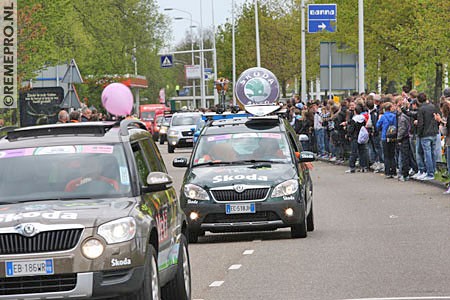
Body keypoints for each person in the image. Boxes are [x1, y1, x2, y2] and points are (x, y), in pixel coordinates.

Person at [416, 92, 439, 180]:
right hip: (433, 132)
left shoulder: (421, 109)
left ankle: (429, 173)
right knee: (433, 153)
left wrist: (419, 133)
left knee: (427, 153)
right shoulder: (433, 106)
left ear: (418, 100)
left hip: (425, 134)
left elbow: (421, 123)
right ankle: (433, 169)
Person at [376, 102, 397, 179]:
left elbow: (377, 126)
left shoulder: (383, 117)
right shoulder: (394, 116)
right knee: (392, 154)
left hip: (385, 136)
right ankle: (394, 171)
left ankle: (387, 172)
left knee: (386, 155)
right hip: (393, 136)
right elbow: (396, 125)